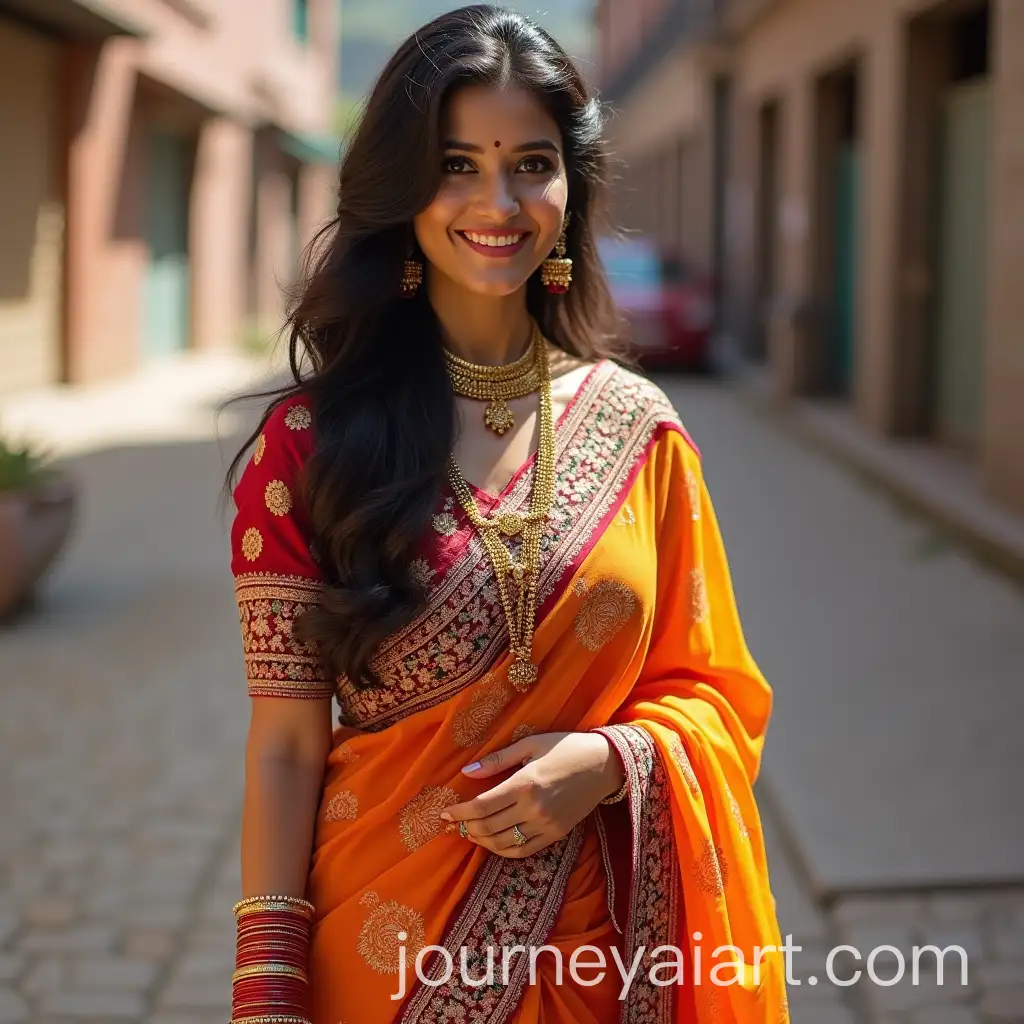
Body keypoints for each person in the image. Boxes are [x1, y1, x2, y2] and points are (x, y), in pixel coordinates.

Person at [224, 6, 788, 1022]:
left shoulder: (640, 432)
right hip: (380, 955)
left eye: (531, 163)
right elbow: (283, 746)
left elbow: (716, 692)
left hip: (601, 957)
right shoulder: (311, 445)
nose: (498, 200)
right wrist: (267, 988)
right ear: (402, 190)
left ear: (569, 189)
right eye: (455, 164)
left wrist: (612, 762)